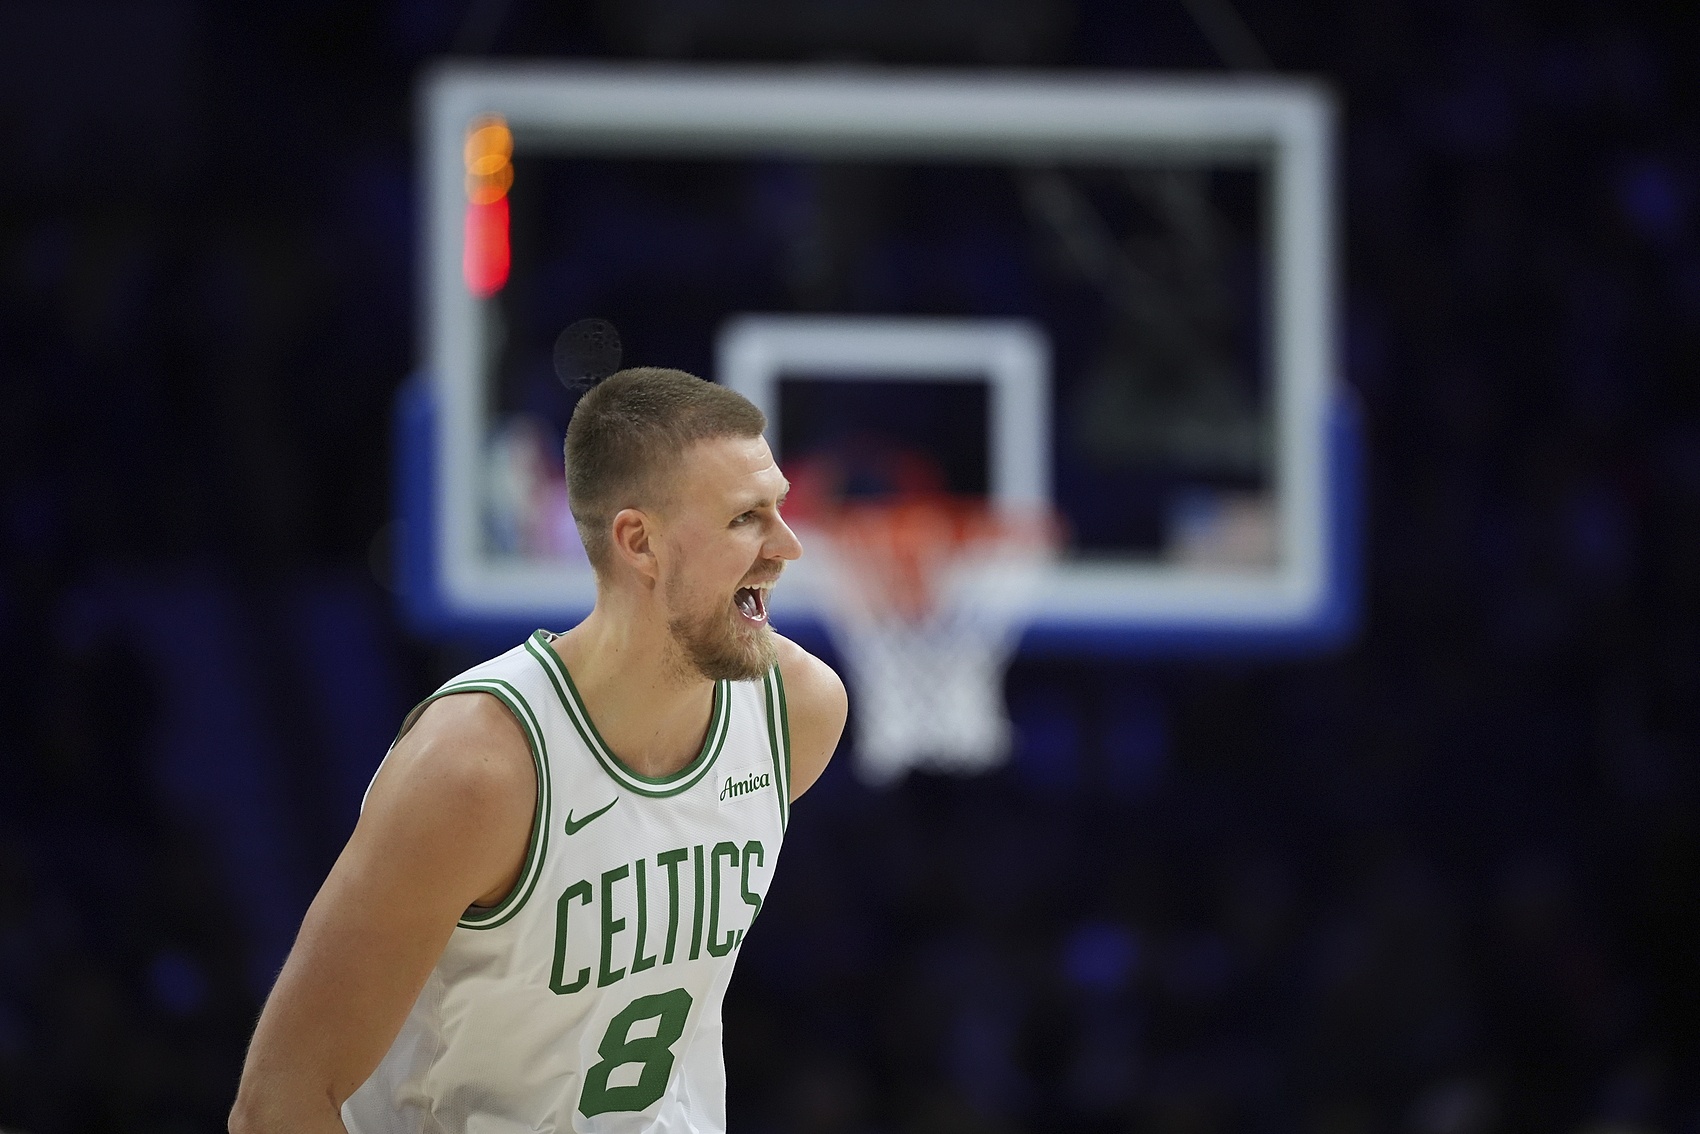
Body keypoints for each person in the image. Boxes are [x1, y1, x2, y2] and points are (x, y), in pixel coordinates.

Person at [229, 368, 847, 1133]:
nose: (786, 546)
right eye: (745, 519)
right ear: (640, 542)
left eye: (778, 509)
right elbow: (278, 1102)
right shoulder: (475, 772)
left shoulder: (797, 713)